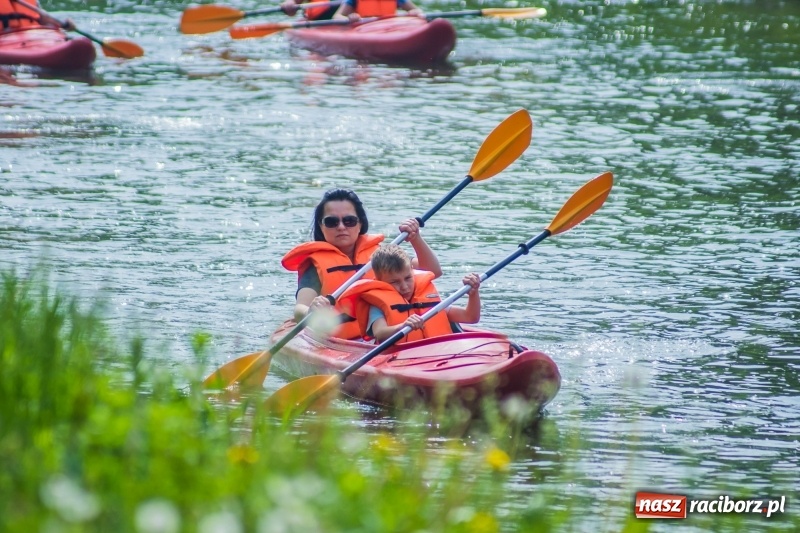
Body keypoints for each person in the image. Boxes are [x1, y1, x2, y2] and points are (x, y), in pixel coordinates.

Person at [282, 188, 442, 339]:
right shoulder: (315, 264)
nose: (341, 227)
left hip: (389, 334)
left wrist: (416, 239)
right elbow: (299, 309)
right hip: (340, 341)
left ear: (360, 223)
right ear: (321, 226)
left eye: (349, 221)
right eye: (332, 222)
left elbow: (432, 271)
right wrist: (312, 310)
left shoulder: (380, 256)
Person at [340, 244, 481, 343]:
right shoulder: (377, 306)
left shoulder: (427, 297)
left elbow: (471, 317)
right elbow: (380, 333)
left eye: (408, 278)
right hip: (400, 358)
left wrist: (473, 294)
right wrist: (402, 326)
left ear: (413, 272)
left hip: (440, 352)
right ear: (380, 281)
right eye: (394, 282)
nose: (404, 287)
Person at [332, 0, 423, 23]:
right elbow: (337, 16)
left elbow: (417, 10)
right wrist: (349, 18)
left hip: (390, 27)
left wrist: (414, 12)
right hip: (364, 27)